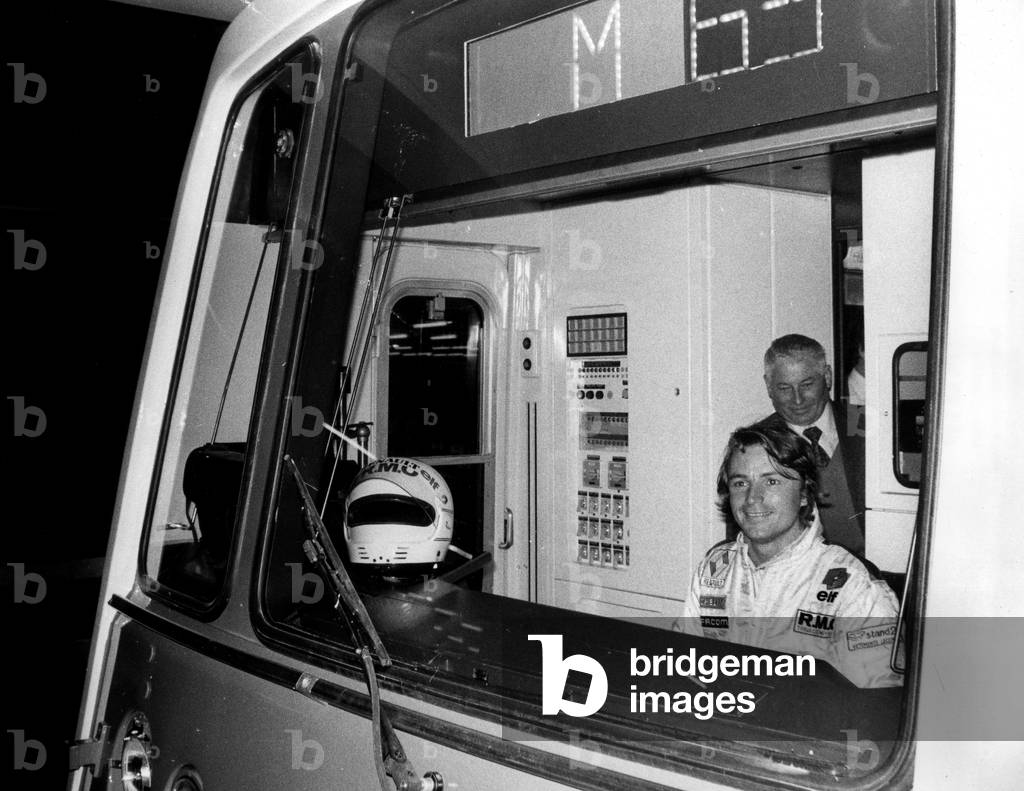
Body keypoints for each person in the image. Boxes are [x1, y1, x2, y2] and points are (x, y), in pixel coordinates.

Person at [681, 425, 902, 689]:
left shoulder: (854, 587)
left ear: (804, 495)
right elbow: (685, 665)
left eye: (771, 481)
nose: (752, 498)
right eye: (741, 483)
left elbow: (875, 704)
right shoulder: (714, 568)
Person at [757, 334, 865, 556]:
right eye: (784, 388)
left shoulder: (865, 424)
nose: (797, 400)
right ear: (769, 386)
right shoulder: (756, 443)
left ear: (826, 376)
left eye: (807, 384)